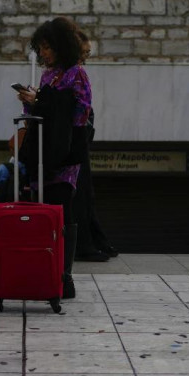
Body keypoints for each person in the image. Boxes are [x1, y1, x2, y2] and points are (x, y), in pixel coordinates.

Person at [16, 17, 92, 298]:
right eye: (41, 48)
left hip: (65, 152)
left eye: (48, 48)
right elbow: (37, 113)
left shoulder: (76, 73)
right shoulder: (48, 75)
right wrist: (30, 101)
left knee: (62, 208)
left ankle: (65, 275)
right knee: (42, 206)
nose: (44, 53)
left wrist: (43, 102)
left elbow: (80, 112)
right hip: (42, 150)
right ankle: (43, 269)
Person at [72, 31, 117, 262]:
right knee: (80, 195)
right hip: (73, 143)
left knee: (85, 195)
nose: (85, 59)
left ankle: (95, 241)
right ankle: (87, 244)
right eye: (84, 53)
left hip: (76, 141)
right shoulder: (74, 73)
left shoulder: (71, 73)